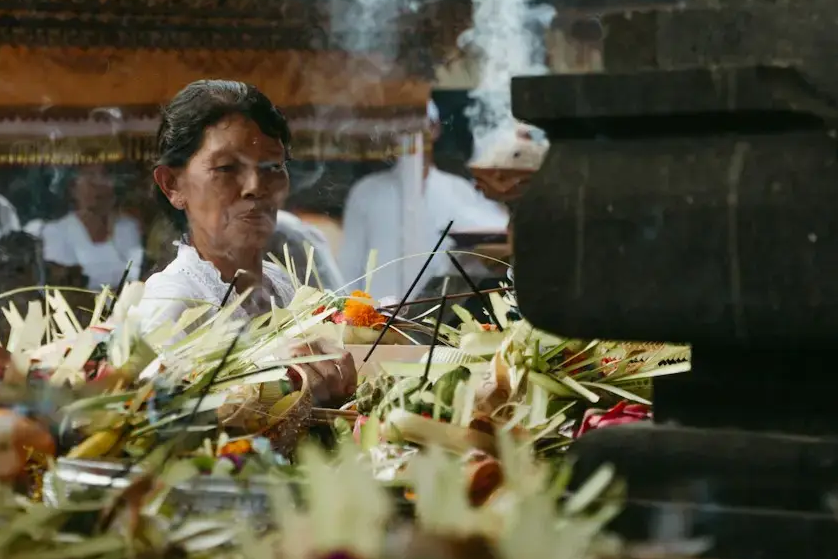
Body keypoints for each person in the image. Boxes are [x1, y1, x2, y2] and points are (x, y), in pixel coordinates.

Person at [134, 80, 357, 407]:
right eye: (226, 168)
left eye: (272, 166)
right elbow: (163, 432)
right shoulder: (173, 306)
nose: (256, 186)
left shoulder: (284, 289)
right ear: (172, 185)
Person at [339, 100, 508, 302]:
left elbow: (472, 259)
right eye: (401, 125)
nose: (409, 132)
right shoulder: (367, 191)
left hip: (440, 315)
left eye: (418, 124)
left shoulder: (460, 190)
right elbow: (348, 267)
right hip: (374, 318)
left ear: (435, 128)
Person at [37, 165, 143, 292]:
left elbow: (137, 279)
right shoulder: (55, 232)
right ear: (73, 188)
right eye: (90, 176)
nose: (99, 184)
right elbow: (63, 288)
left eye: (104, 176)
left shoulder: (127, 227)